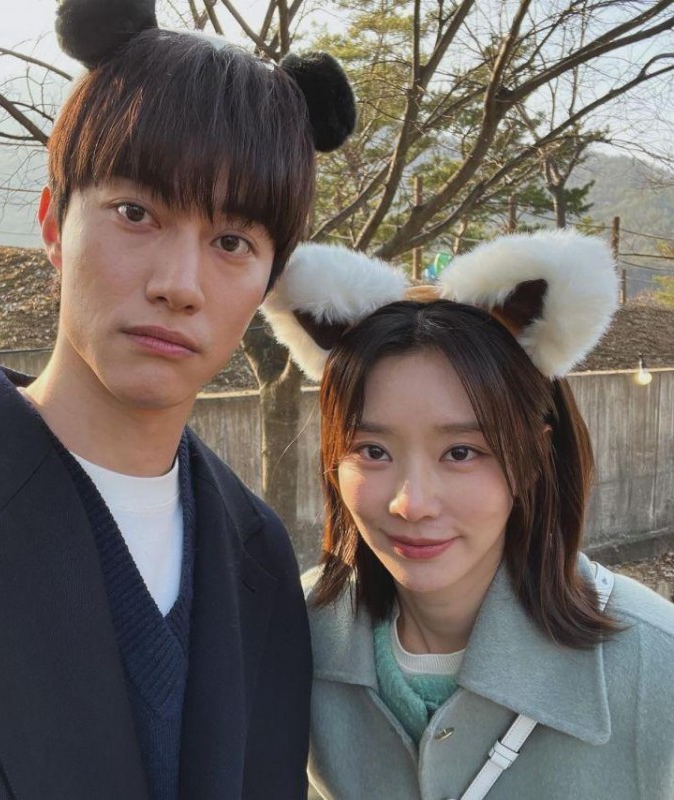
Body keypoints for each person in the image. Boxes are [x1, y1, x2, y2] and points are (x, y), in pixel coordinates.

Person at [0, 2, 355, 798]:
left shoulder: (258, 557)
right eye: (137, 214)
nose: (179, 284)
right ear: (53, 226)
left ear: (269, 280)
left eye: (232, 242)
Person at [263, 230, 674, 799]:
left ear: (534, 455)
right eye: (372, 451)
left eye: (461, 453)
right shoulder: (293, 636)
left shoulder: (657, 667)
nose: (411, 503)